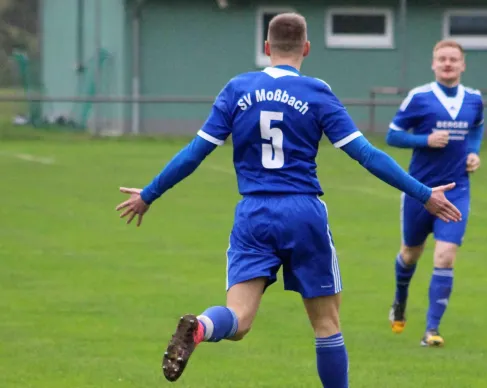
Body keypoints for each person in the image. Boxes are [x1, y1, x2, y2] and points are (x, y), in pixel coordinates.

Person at [115, 14, 461, 387]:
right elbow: (366, 155)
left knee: (239, 318)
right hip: (302, 212)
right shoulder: (316, 92)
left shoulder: (237, 89)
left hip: (253, 214)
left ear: (266, 48)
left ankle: (200, 327)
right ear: (306, 48)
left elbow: (193, 154)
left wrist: (148, 194)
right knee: (326, 324)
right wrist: (423, 193)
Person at [386, 39, 484, 347]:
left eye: (453, 59)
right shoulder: (420, 97)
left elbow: (477, 128)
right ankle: (400, 299)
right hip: (420, 191)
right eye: (442, 59)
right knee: (410, 254)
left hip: (457, 190)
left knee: (445, 256)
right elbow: (392, 135)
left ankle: (431, 331)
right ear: (433, 63)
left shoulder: (474, 99)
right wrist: (425, 140)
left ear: (462, 64)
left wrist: (473, 153)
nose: (447, 64)